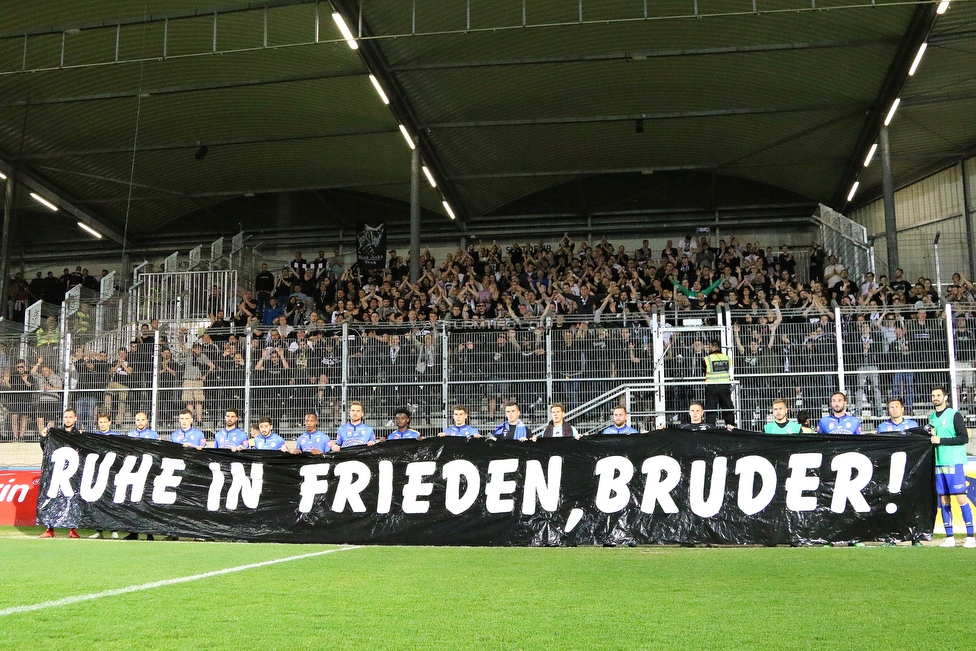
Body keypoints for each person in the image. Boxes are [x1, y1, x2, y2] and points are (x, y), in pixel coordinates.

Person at [928, 387, 975, 547]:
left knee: (961, 497)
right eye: (933, 395)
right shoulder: (932, 417)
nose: (935, 398)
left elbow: (963, 438)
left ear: (945, 397)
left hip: (953, 461)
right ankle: (949, 537)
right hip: (939, 462)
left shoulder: (954, 415)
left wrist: (941, 440)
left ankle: (970, 536)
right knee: (943, 499)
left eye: (938, 395)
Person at [39, 409, 83, 539]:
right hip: (57, 472)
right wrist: (43, 437)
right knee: (53, 498)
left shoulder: (79, 435)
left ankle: (73, 530)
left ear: (75, 418)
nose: (68, 419)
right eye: (66, 417)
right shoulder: (56, 434)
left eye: (70, 417)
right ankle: (49, 529)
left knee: (73, 500)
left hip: (74, 473)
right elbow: (46, 448)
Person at [89, 413, 123, 539]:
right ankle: (99, 530)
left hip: (113, 474)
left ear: (109, 423)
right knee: (97, 502)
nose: (102, 424)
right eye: (100, 422)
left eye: (104, 422)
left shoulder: (116, 437)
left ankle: (114, 529)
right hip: (98, 473)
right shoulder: (94, 437)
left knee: (112, 501)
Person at [703, 340, 735, 426]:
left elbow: (703, 369)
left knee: (711, 410)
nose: (708, 348)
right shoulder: (727, 358)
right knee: (727, 409)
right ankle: (730, 428)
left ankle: (711, 429)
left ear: (713, 346)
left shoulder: (707, 358)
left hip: (712, 387)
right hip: (724, 387)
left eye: (709, 346)